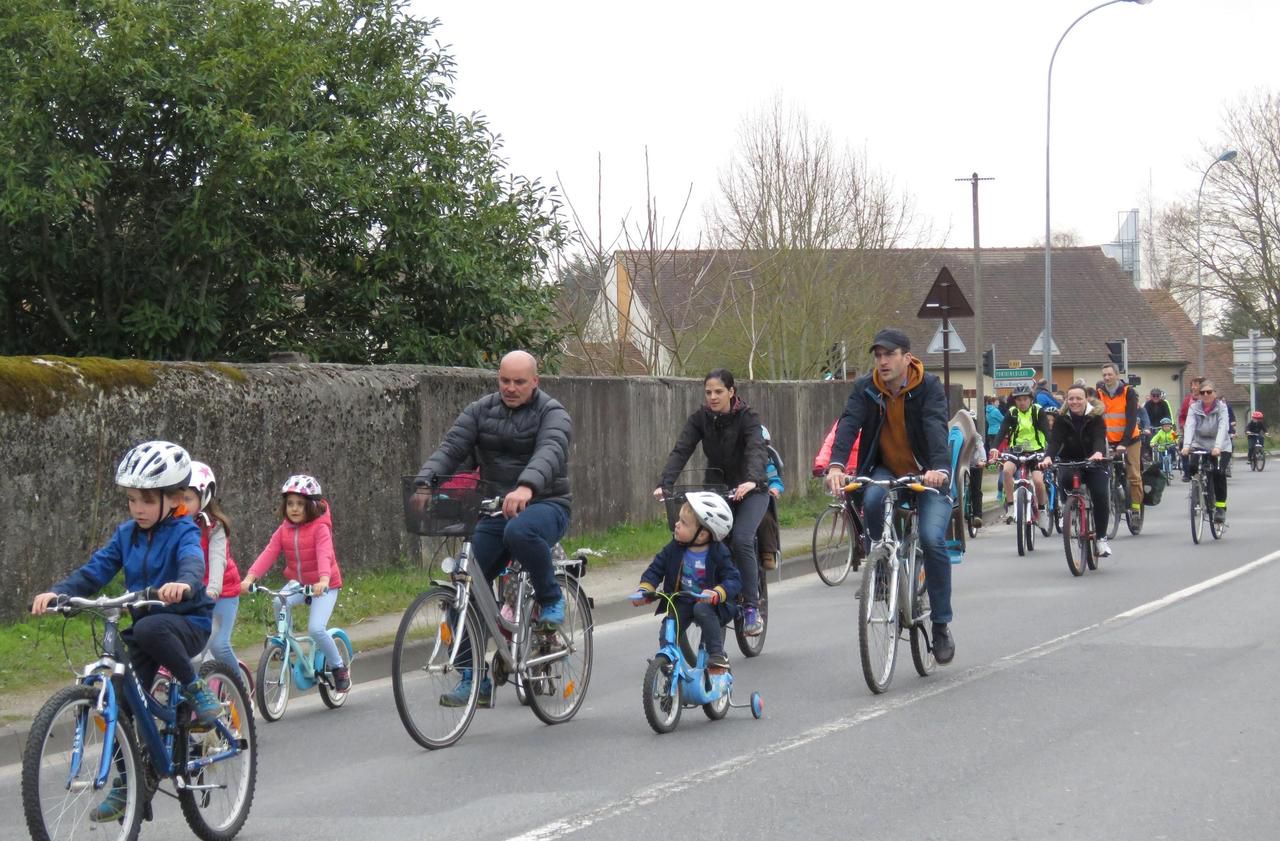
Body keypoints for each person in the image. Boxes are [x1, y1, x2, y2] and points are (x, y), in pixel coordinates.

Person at [30, 441, 219, 823]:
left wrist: (182, 583)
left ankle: (196, 690)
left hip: (185, 623)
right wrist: (60, 593)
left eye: (147, 501)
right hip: (148, 630)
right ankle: (128, 780)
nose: (138, 509)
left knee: (149, 626)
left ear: (177, 498)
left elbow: (192, 563)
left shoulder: (183, 531)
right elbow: (97, 569)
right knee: (113, 698)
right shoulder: (127, 534)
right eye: (132, 500)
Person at [415, 350, 572, 705]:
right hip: (498, 508)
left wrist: (527, 486)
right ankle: (474, 679)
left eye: (519, 382)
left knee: (519, 533)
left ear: (536, 381)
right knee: (463, 579)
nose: (511, 388)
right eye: (505, 381)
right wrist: (425, 482)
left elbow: (550, 450)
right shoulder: (480, 411)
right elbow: (452, 448)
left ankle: (550, 598)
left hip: (546, 504)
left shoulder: (553, 413)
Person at [824, 328, 955, 664]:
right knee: (869, 501)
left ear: (906, 358)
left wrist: (939, 468)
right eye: (878, 355)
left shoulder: (929, 387)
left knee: (931, 538)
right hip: (885, 468)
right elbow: (848, 424)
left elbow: (935, 426)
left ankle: (940, 624)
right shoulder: (866, 388)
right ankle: (882, 571)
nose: (882, 362)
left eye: (889, 354)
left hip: (927, 471)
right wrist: (837, 465)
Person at [656, 368, 769, 636]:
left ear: (731, 392)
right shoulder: (700, 418)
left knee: (741, 539)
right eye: (708, 392)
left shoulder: (748, 417)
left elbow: (756, 448)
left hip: (751, 489)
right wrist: (666, 484)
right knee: (703, 539)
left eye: (719, 391)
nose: (713, 397)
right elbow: (682, 449)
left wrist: (752, 480)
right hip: (717, 489)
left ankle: (751, 607)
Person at [241, 474, 349, 691]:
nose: (294, 509)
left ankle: (339, 667)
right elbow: (269, 553)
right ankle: (286, 641)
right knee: (278, 601)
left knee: (316, 629)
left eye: (300, 504)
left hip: (325, 584)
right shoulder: (284, 529)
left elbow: (324, 554)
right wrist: (250, 577)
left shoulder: (320, 528)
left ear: (312, 506)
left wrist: (324, 579)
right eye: (290, 504)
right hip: (300, 583)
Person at [630, 492, 742, 673]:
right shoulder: (674, 548)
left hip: (712, 605)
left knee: (702, 610)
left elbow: (734, 579)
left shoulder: (718, 552)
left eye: (683, 523)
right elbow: (656, 568)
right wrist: (646, 589)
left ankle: (716, 656)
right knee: (670, 625)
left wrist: (718, 592)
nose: (676, 524)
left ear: (701, 534)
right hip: (684, 600)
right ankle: (668, 660)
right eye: (678, 520)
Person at [181, 461, 242, 678]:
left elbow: (218, 560)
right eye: (176, 498)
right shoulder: (171, 526)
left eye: (187, 499)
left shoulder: (214, 527)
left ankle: (241, 691)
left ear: (204, 497)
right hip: (193, 594)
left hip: (222, 592)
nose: (180, 504)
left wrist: (213, 589)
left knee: (218, 645)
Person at [1040, 385, 1112, 557]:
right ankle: (1069, 509)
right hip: (1070, 461)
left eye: (1078, 398)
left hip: (1094, 462)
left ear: (1086, 399)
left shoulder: (1095, 418)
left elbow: (1098, 438)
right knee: (1064, 480)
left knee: (1100, 494)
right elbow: (1055, 441)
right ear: (1067, 400)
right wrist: (1048, 457)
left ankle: (1101, 539)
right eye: (1071, 398)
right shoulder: (1061, 418)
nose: (1074, 402)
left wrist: (1098, 453)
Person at [988, 384, 1051, 529]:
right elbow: (1001, 431)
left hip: (1036, 452)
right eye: (1019, 400)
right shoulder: (1012, 413)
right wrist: (993, 448)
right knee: (1006, 471)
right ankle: (1010, 507)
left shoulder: (1037, 411)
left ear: (1031, 399)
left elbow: (1047, 432)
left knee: (1038, 481)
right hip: (1016, 451)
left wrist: (1050, 452)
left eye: (1025, 399)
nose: (1022, 402)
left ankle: (1042, 511)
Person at [1097, 362, 1144, 524]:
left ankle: (1136, 509)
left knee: (1133, 475)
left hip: (1130, 440)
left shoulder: (1128, 392)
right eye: (1104, 375)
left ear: (1117, 375)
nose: (1107, 378)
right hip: (1108, 441)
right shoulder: (1099, 393)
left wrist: (1124, 443)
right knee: (1102, 473)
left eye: (1110, 374)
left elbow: (1131, 420)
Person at [1182, 380, 1232, 524]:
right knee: (1192, 466)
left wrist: (1217, 447)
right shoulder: (1194, 408)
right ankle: (1198, 489)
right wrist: (1186, 445)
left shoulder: (1222, 408)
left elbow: (1223, 427)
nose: (1206, 395)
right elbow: (1190, 426)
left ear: (1214, 393)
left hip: (1221, 445)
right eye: (1202, 392)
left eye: (1209, 392)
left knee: (1218, 473)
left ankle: (1220, 507)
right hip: (1200, 443)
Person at [756, 425, 784, 571]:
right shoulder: (736, 461)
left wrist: (774, 489)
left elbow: (776, 481)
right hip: (736, 500)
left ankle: (768, 552)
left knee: (766, 519)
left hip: (759, 501)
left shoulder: (768, 465)